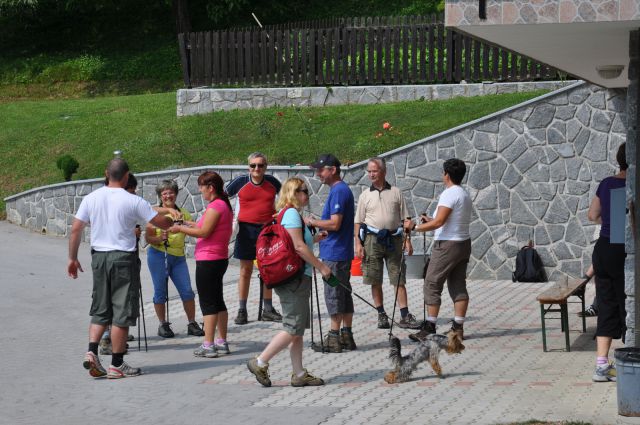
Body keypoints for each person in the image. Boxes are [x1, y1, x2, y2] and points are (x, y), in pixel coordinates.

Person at [68, 159, 174, 379]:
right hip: (123, 259)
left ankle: (92, 351)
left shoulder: (91, 198)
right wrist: (170, 215)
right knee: (122, 313)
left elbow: (76, 228)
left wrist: (72, 258)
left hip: (99, 258)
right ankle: (117, 364)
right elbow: (162, 223)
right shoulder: (133, 200)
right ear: (127, 176)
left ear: (107, 173)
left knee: (100, 308)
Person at [247, 178, 332, 387]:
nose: (307, 195)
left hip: (295, 278)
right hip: (294, 279)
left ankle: (299, 373)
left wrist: (317, 238)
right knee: (292, 327)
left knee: (298, 328)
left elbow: (298, 242)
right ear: (294, 192)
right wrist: (321, 267)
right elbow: (299, 247)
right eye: (304, 191)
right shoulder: (292, 214)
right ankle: (260, 361)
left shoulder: (289, 214)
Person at [404, 158, 472, 342]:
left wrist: (415, 227)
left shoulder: (449, 194)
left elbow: (440, 222)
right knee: (457, 285)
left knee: (432, 283)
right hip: (463, 243)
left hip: (447, 245)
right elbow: (445, 220)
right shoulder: (464, 194)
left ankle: (430, 327)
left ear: (446, 174)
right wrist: (429, 220)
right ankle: (458, 328)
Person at [170, 171, 233, 358]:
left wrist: (179, 228)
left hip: (209, 260)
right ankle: (221, 341)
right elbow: (204, 226)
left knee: (208, 303)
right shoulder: (221, 205)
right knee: (218, 300)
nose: (200, 192)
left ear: (211, 188)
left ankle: (208, 344)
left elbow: (205, 232)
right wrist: (188, 223)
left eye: (202, 188)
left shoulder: (216, 206)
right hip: (217, 258)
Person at [354, 157, 421, 330]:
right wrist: (358, 244)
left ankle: (405, 315)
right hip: (372, 240)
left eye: (374, 171)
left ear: (383, 172)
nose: (371, 174)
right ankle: (381, 314)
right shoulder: (365, 195)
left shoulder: (396, 192)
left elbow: (406, 219)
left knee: (398, 277)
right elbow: (358, 221)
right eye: (368, 171)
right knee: (374, 278)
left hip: (394, 239)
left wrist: (408, 240)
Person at [306, 154, 356, 352]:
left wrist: (313, 222)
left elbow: (335, 224)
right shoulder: (340, 190)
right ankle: (347, 335)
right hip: (340, 251)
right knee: (344, 292)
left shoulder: (338, 191)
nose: (318, 174)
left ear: (333, 170)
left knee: (334, 294)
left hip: (335, 254)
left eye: (321, 170)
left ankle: (334, 338)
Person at [226, 152, 282, 325]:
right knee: (245, 270)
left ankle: (267, 309)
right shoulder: (240, 182)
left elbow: (286, 199)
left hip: (267, 231)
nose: (257, 168)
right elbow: (222, 197)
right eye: (253, 165)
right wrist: (228, 217)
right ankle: (242, 310)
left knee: (268, 270)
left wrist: (279, 214)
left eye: (260, 165)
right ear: (248, 167)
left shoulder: (273, 182)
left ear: (266, 167)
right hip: (245, 230)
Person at [145, 180, 204, 339]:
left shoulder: (184, 212)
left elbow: (194, 228)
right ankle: (163, 324)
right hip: (158, 255)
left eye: (171, 192)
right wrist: (159, 238)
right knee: (160, 292)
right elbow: (148, 238)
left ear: (176, 194)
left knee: (187, 291)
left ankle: (192, 323)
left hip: (178, 257)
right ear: (160, 196)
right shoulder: (154, 213)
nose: (168, 195)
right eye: (164, 193)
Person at [587, 142, 627, 383]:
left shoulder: (607, 183)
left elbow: (592, 215)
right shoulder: (631, 185)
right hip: (624, 252)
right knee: (630, 306)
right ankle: (631, 360)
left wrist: (611, 221)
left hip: (602, 250)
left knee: (606, 304)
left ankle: (601, 366)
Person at [99, 173, 140, 355]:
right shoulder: (113, 202)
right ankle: (108, 340)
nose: (132, 195)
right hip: (118, 259)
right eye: (130, 191)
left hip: (112, 258)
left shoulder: (117, 201)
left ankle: (116, 335)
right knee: (118, 302)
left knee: (117, 301)